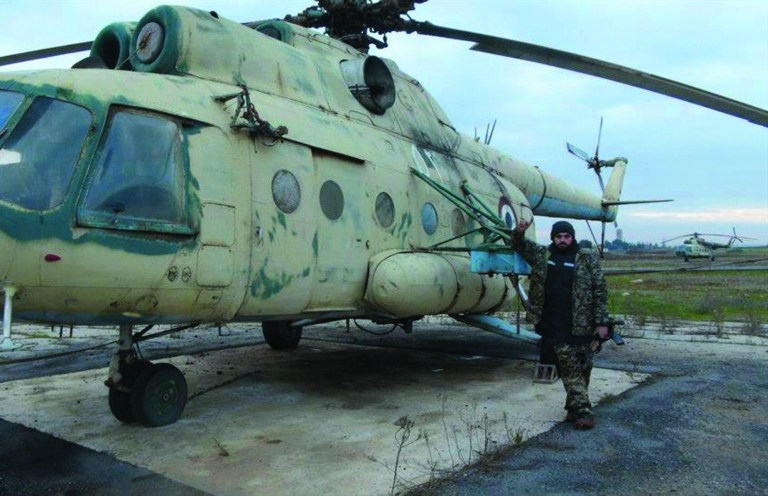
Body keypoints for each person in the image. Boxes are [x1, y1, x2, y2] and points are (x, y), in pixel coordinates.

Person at [510, 219, 609, 429]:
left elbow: (600, 291)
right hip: (554, 323)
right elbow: (518, 245)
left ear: (572, 237)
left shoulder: (587, 259)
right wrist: (519, 231)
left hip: (583, 323)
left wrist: (602, 323)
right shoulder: (543, 255)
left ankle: (572, 408)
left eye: (566, 236)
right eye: (558, 236)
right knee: (569, 367)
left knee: (584, 366)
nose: (562, 240)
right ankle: (584, 410)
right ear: (553, 238)